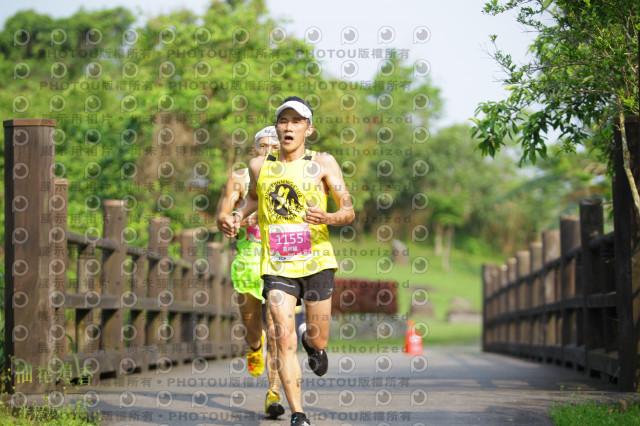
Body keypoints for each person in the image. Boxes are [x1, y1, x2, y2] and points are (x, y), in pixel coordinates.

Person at [220, 97, 355, 426]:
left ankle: (315, 345)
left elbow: (349, 211)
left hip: (317, 261)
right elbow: (251, 199)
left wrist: (328, 216)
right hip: (276, 264)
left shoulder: (323, 163)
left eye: (296, 122)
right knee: (281, 335)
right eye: (283, 121)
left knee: (316, 336)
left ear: (308, 129)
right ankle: (299, 413)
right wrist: (235, 216)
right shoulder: (258, 167)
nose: (288, 127)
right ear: (277, 127)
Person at [216, 126, 285, 419]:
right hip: (248, 258)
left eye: (274, 146)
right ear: (254, 150)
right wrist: (228, 221)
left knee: (279, 330)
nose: (268, 151)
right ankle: (254, 347)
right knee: (253, 326)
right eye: (263, 146)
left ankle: (274, 394)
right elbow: (223, 212)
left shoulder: (293, 176)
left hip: (281, 259)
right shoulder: (241, 177)